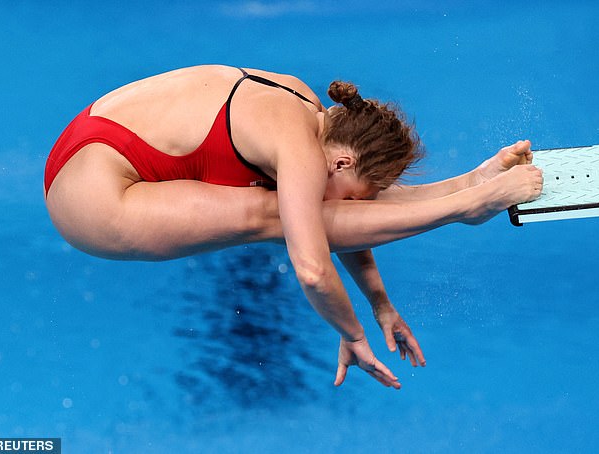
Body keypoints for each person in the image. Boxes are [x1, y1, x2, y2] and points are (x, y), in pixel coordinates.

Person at [44, 64, 543, 390]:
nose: (356, 206)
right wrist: (351, 333)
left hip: (85, 145)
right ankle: (469, 204)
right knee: (271, 215)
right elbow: (311, 266)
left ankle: (471, 183)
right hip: (91, 202)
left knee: (293, 206)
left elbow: (331, 207)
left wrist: (379, 303)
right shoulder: (302, 151)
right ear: (343, 160)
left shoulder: (307, 108)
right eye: (358, 196)